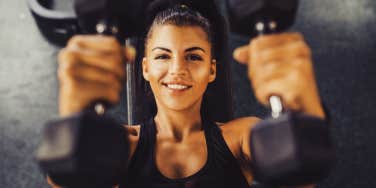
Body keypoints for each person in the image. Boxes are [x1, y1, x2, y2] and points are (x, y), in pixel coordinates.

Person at [49, 2, 326, 188]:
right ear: (145, 68)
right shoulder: (122, 145)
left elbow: (301, 178)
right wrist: (73, 118)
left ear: (212, 70)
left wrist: (305, 108)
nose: (177, 70)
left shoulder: (242, 137)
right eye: (162, 56)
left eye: (193, 57)